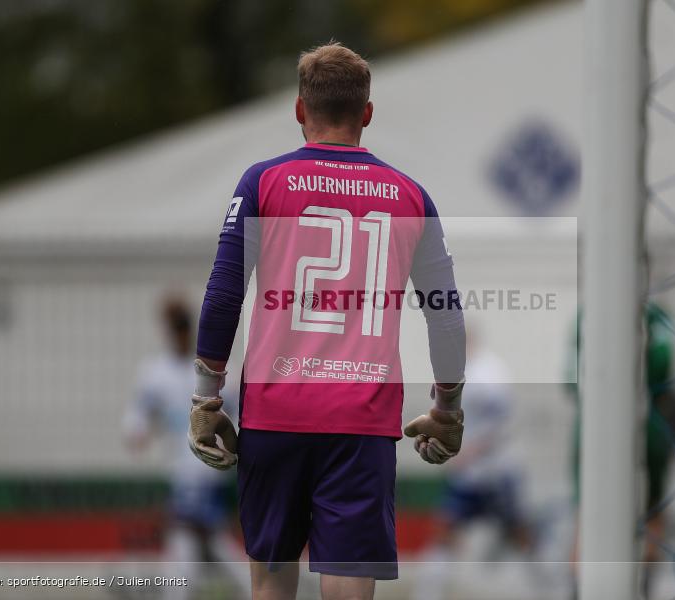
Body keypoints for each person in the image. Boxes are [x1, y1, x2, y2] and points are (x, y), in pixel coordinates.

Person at [188, 42, 467, 600]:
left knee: (271, 584)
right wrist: (447, 409)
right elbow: (445, 316)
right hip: (360, 422)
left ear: (299, 110)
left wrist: (205, 398)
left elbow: (223, 295)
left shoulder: (262, 183)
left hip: (275, 413)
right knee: (347, 586)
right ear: (366, 113)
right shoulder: (411, 196)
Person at [123, 295, 250, 599]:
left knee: (207, 550)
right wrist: (137, 432)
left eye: (183, 326)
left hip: (212, 475)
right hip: (181, 474)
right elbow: (138, 414)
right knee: (190, 559)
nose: (180, 333)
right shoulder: (155, 373)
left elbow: (236, 412)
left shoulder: (211, 371)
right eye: (175, 327)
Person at [565, 302, 675, 596]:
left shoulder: (588, 315)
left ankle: (584, 587)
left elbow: (569, 378)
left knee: (591, 509)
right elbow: (664, 367)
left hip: (601, 428)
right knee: (648, 509)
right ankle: (639, 584)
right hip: (642, 423)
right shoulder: (658, 317)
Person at [411, 327, 531, 600]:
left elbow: (502, 423)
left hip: (497, 472)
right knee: (445, 529)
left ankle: (540, 585)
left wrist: (472, 450)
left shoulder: (490, 373)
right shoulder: (454, 375)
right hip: (468, 474)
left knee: (517, 531)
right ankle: (427, 592)